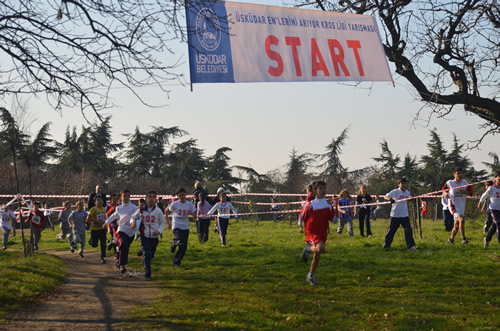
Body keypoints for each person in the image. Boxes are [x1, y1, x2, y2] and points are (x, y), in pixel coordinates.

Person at [298, 181, 337, 286]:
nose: (323, 191)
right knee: (320, 248)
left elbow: (334, 220)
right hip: (312, 232)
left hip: (322, 232)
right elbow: (301, 216)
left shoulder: (328, 206)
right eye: (321, 189)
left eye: (324, 188)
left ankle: (310, 275)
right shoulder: (311, 205)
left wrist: (336, 208)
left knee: (318, 254)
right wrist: (300, 226)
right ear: (315, 191)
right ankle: (307, 249)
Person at [131, 190, 166, 280]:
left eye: (153, 197)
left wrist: (158, 231)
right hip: (144, 235)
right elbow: (133, 217)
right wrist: (132, 222)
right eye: (149, 197)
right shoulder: (141, 210)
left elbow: (163, 222)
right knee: (148, 254)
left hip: (154, 236)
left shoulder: (158, 211)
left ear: (156, 200)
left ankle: (144, 254)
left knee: (151, 255)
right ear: (146, 199)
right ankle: (148, 274)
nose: (151, 199)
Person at [104, 189, 138, 273]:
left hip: (131, 232)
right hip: (121, 230)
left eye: (128, 196)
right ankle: (122, 265)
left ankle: (115, 249)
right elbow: (113, 216)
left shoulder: (134, 208)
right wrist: (106, 223)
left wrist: (135, 224)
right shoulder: (119, 208)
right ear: (121, 197)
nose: (126, 197)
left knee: (125, 247)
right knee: (123, 244)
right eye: (124, 196)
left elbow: (139, 217)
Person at [382, 178, 419, 251]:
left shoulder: (407, 192)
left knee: (408, 230)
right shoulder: (395, 191)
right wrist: (390, 199)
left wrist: (411, 198)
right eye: (402, 183)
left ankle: (411, 246)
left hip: (404, 215)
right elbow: (385, 196)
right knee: (391, 231)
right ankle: (386, 246)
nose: (404, 185)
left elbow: (409, 196)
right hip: (395, 215)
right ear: (398, 184)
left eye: (405, 183)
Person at [166, 188, 197, 266]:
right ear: (178, 196)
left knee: (183, 248)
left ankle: (176, 262)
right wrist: (168, 222)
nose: (182, 197)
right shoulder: (175, 204)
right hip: (177, 226)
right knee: (181, 240)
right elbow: (166, 210)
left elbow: (193, 212)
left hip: (185, 227)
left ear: (185, 195)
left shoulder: (189, 204)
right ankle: (174, 243)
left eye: (183, 195)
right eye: (180, 196)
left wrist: (194, 216)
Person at [443, 168, 473, 244]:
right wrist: (446, 193)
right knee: (462, 220)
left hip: (462, 206)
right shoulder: (450, 183)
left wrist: (463, 191)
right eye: (458, 173)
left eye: (461, 173)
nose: (459, 175)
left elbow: (471, 193)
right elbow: (443, 190)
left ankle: (451, 239)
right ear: (454, 174)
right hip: (453, 205)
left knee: (456, 225)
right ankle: (463, 239)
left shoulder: (465, 183)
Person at [479, 172, 500, 248]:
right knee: (498, 223)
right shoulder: (491, 188)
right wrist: (480, 202)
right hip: (493, 209)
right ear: (495, 179)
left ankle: (487, 239)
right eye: (498, 177)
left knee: (495, 226)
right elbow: (484, 195)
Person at [88, 195, 108, 264]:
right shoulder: (93, 209)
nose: (100, 201)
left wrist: (105, 223)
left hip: (102, 229)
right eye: (98, 200)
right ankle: (91, 241)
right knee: (94, 245)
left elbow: (106, 218)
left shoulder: (104, 209)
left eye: (101, 200)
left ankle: (102, 257)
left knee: (103, 244)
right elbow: (89, 218)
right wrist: (97, 222)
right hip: (94, 229)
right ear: (95, 202)